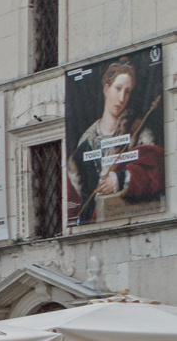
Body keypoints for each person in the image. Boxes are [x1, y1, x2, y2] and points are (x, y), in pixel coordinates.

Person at [68, 59, 164, 225]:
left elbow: (156, 168)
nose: (121, 98)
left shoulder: (139, 131)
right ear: (106, 89)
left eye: (127, 92)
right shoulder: (87, 140)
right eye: (118, 89)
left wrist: (121, 178)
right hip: (91, 225)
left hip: (130, 218)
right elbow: (78, 194)